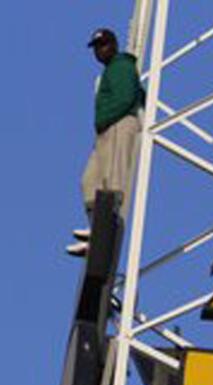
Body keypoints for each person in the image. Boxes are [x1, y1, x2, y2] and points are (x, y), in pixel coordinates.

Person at [68, 27, 145, 257]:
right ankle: (97, 230)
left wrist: (106, 119)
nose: (99, 51)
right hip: (106, 127)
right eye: (96, 48)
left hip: (120, 124)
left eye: (103, 45)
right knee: (90, 180)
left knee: (114, 176)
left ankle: (109, 227)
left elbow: (125, 98)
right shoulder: (107, 74)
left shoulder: (122, 67)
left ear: (113, 44)